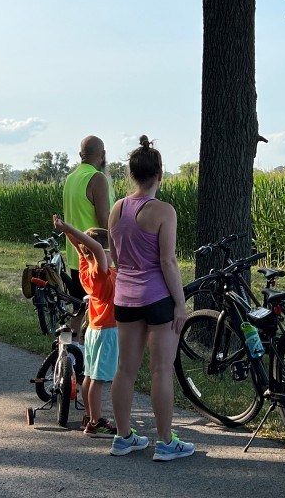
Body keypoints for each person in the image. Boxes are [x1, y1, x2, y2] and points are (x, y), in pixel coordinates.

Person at [107, 135, 194, 461]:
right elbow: (167, 262)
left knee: (124, 370)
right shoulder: (163, 211)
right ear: (160, 174)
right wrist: (181, 303)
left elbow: (115, 256)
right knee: (160, 370)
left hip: (125, 298)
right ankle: (165, 442)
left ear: (132, 174)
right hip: (158, 298)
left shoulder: (117, 209)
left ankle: (123, 436)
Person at [52, 214, 118, 437]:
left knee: (90, 376)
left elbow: (83, 248)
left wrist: (66, 231)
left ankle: (90, 419)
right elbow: (95, 248)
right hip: (107, 330)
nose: (111, 256)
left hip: (94, 329)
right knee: (97, 379)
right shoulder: (100, 272)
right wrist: (67, 226)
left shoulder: (85, 267)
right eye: (109, 251)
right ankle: (96, 421)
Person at [63, 135, 114, 343]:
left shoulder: (71, 178)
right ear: (102, 155)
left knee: (79, 308)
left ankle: (67, 351)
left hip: (76, 255)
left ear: (80, 155)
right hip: (96, 256)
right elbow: (105, 222)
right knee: (94, 312)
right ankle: (85, 356)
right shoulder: (97, 179)